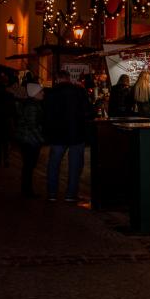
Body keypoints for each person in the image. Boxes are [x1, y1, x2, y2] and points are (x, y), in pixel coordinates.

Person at [43, 70, 92, 203]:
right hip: (76, 133)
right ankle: (70, 194)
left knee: (54, 164)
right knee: (75, 165)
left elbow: (46, 114)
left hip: (57, 134)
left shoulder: (51, 93)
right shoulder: (79, 91)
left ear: (57, 79)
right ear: (69, 78)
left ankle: (52, 193)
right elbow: (88, 111)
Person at [12, 74, 45, 197]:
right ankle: (27, 190)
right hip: (29, 139)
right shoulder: (32, 106)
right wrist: (41, 139)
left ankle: (27, 189)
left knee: (28, 165)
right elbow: (32, 125)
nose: (43, 93)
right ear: (35, 93)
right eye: (41, 91)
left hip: (27, 138)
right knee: (29, 165)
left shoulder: (31, 104)